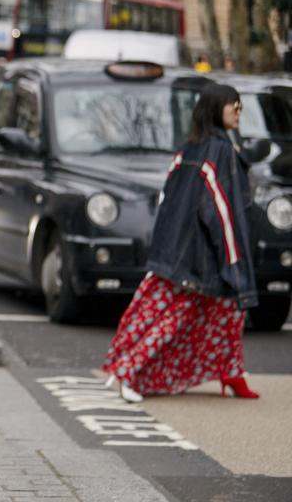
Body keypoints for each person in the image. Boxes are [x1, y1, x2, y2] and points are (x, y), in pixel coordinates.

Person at [102, 83, 259, 403]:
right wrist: (233, 259)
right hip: (202, 254)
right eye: (233, 105)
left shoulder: (189, 149)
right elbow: (221, 211)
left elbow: (169, 200)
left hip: (176, 248)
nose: (238, 112)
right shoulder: (220, 151)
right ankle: (128, 370)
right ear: (217, 109)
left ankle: (232, 373)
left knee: (225, 313)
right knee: (177, 316)